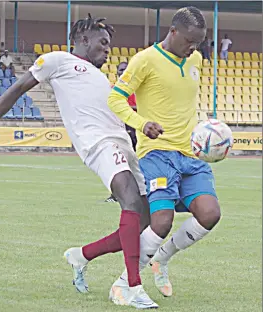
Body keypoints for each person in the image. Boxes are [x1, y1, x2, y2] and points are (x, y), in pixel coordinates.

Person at [0, 14, 164, 309]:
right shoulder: (58, 61)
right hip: (97, 144)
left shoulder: (101, 77)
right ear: (83, 40)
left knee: (145, 222)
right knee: (129, 201)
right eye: (103, 43)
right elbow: (14, 92)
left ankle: (81, 255)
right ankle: (131, 287)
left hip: (124, 145)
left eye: (109, 45)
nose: (107, 49)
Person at [108, 6, 221, 298]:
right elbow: (115, 98)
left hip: (191, 155)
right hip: (157, 153)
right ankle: (124, 284)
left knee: (209, 214)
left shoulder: (195, 58)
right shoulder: (145, 60)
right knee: (161, 221)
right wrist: (141, 123)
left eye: (198, 41)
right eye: (188, 40)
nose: (193, 47)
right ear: (172, 32)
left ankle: (163, 257)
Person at [105, 61, 137, 203]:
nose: (122, 72)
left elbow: (138, 107)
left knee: (135, 163)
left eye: (125, 70)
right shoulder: (112, 89)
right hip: (117, 130)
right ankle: (115, 195)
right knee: (117, 164)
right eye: (120, 70)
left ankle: (139, 192)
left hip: (134, 131)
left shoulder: (133, 89)